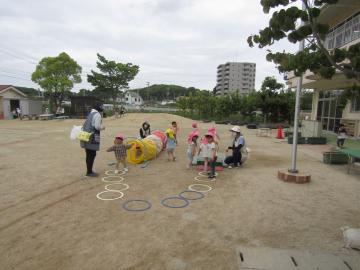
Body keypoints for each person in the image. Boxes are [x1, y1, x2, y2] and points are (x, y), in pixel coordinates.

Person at [80, 104, 105, 177]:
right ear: (99, 108)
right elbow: (97, 126)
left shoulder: (91, 113)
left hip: (86, 136)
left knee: (88, 154)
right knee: (92, 154)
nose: (102, 108)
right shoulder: (97, 115)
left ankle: (89, 171)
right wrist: (103, 127)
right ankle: (89, 172)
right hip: (91, 137)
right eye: (102, 107)